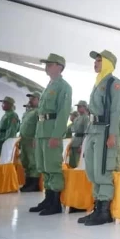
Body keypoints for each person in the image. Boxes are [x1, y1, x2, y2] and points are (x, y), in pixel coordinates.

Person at [78, 50, 120, 226]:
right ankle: (97, 208)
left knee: (103, 170)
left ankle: (104, 211)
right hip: (93, 129)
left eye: (99, 60)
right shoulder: (98, 83)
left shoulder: (114, 83)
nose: (95, 63)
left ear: (108, 63)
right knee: (93, 169)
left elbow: (115, 111)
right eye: (95, 61)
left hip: (105, 130)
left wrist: (112, 134)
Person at [29, 53, 72, 216]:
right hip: (42, 131)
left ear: (59, 67)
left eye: (50, 64)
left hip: (52, 131)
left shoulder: (64, 86)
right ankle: (47, 199)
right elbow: (40, 113)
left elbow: (63, 112)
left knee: (53, 167)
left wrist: (56, 135)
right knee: (43, 166)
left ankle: (55, 203)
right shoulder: (49, 85)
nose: (46, 66)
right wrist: (36, 135)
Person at [19, 93, 41, 192]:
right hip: (24, 140)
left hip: (32, 140)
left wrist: (36, 138)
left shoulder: (39, 112)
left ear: (39, 100)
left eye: (33, 98)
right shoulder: (28, 112)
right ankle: (28, 182)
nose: (30, 100)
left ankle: (34, 184)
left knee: (33, 162)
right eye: (30, 98)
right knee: (25, 161)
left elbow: (40, 126)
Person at [0, 97, 20, 162]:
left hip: (4, 141)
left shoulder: (12, 115)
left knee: (2, 161)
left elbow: (12, 130)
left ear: (10, 104)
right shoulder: (6, 114)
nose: (2, 105)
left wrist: (7, 142)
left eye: (4, 103)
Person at [70, 101, 89, 168]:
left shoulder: (86, 118)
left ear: (85, 107)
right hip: (74, 142)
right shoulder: (77, 118)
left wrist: (82, 145)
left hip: (80, 142)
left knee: (78, 164)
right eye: (78, 107)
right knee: (71, 163)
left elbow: (86, 133)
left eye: (80, 106)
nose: (78, 108)